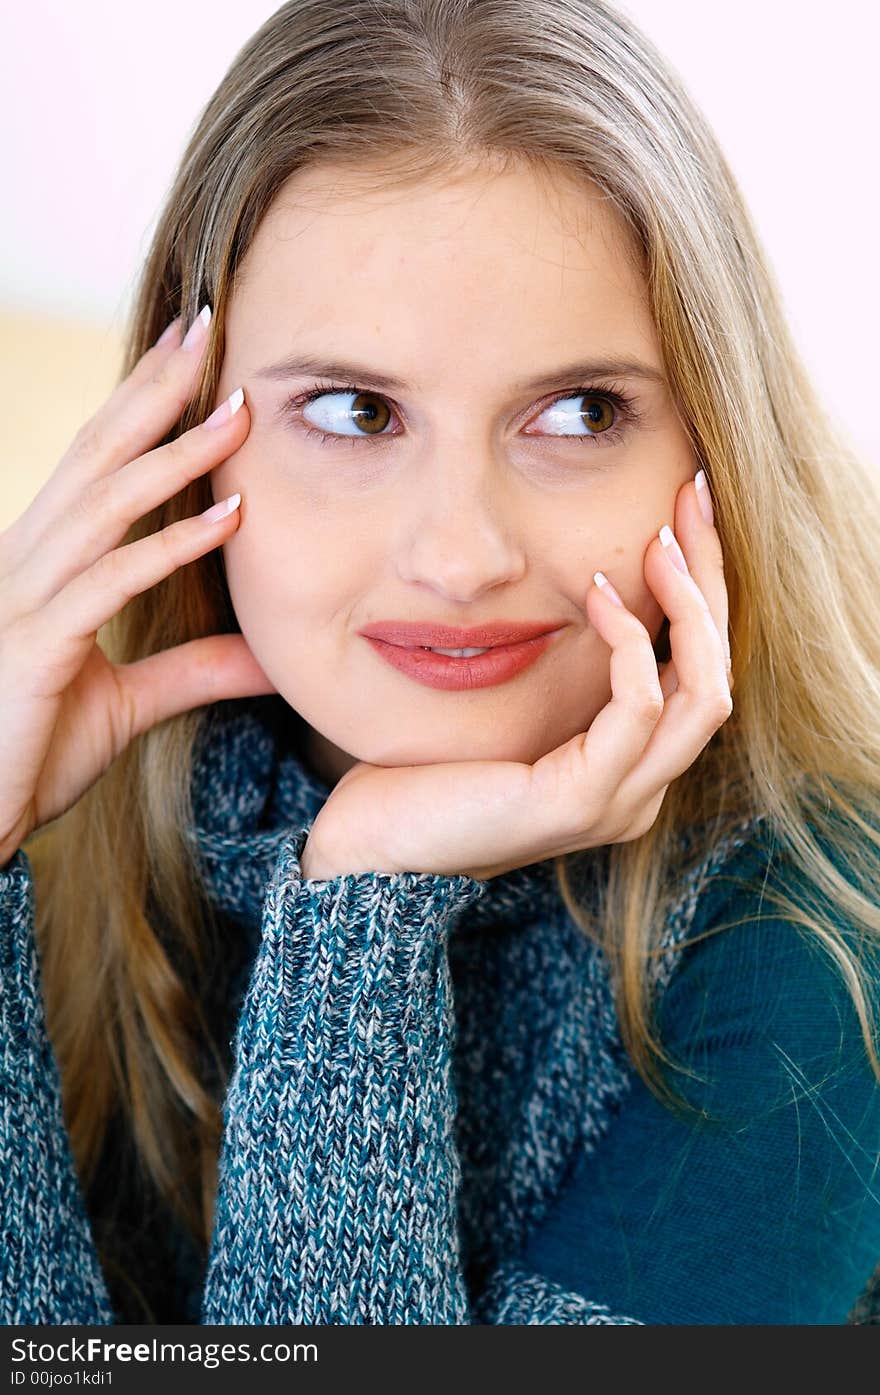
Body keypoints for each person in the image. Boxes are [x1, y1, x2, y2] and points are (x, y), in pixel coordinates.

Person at [1, 0, 879, 1326]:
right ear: (181, 440)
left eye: (579, 413)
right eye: (353, 412)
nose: (459, 553)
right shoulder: (88, 849)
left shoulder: (823, 936)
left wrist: (358, 912)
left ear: (713, 446)